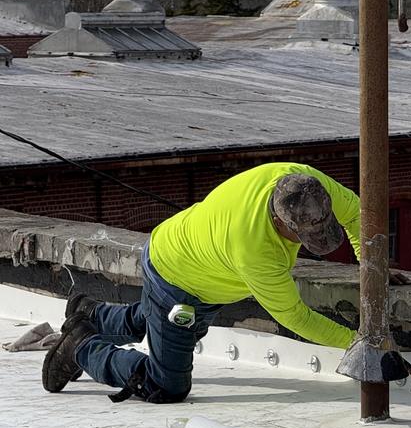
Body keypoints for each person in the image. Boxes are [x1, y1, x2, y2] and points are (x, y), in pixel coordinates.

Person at [41, 162, 389, 403]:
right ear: (282, 223)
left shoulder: (302, 182)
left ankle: (91, 313)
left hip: (195, 260)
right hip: (177, 278)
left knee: (157, 318)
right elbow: (296, 317)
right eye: (303, 237)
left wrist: (371, 270)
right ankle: (81, 347)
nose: (307, 245)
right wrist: (358, 343)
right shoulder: (254, 247)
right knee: (166, 386)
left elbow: (358, 215)